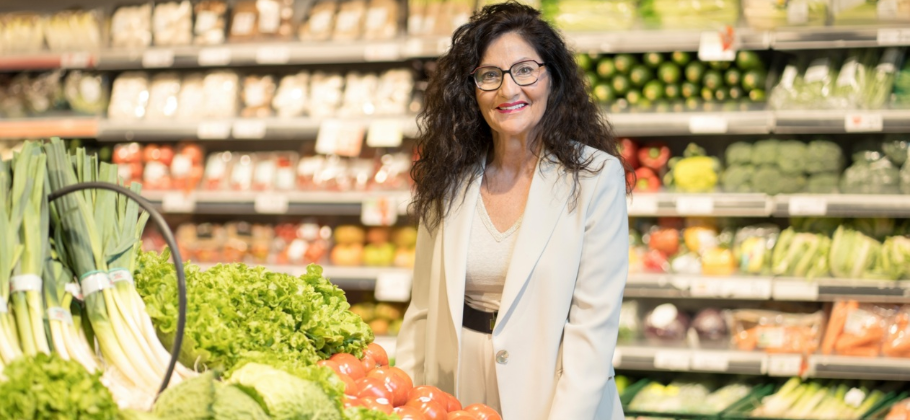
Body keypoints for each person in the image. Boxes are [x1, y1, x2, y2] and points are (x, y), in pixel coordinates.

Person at [396, 2, 631, 419]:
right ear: (470, 90)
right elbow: (423, 310)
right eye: (490, 75)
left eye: (525, 70)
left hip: (551, 394)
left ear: (553, 77)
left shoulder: (596, 177)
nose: (509, 91)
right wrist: (403, 402)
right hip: (455, 389)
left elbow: (592, 333)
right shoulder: (450, 173)